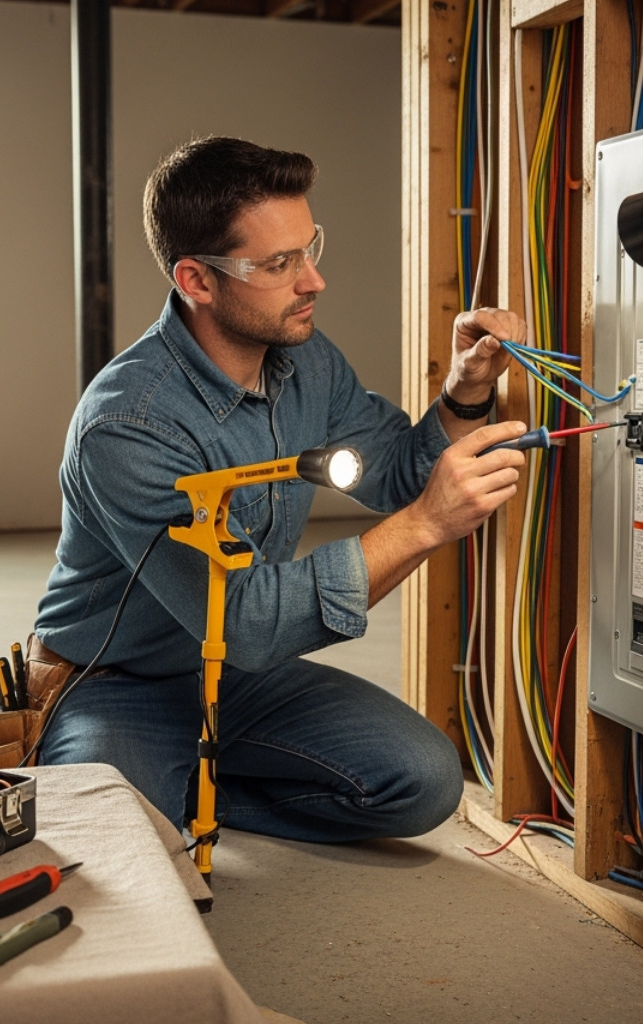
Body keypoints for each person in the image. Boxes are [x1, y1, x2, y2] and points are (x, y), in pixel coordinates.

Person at [31, 136, 529, 844]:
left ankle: (200, 793)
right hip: (118, 682)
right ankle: (166, 799)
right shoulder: (126, 425)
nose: (314, 280)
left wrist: (464, 390)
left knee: (423, 780)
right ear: (198, 281)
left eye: (309, 247)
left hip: (235, 677)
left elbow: (395, 469)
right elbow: (248, 622)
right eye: (279, 263)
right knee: (119, 848)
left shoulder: (305, 360)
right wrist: (425, 525)